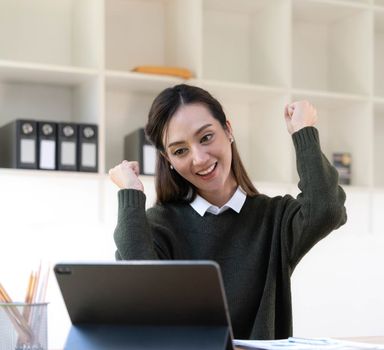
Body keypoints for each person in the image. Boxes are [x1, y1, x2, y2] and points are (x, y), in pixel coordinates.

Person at [109, 84, 347, 340]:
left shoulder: (274, 218)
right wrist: (130, 194)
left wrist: (304, 131)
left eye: (206, 137)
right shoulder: (160, 225)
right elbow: (141, 288)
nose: (199, 158)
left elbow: (326, 209)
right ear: (169, 161)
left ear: (228, 130)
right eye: (180, 151)